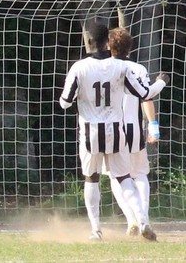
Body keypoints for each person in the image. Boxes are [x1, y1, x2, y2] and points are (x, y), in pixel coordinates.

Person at [58, 22, 169, 242]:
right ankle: (142, 219)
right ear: (107, 43)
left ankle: (96, 230)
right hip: (117, 132)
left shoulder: (79, 68)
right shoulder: (121, 67)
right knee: (124, 177)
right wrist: (161, 83)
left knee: (92, 178)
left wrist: (82, 96)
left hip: (90, 132)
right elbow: (145, 93)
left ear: (89, 41)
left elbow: (64, 103)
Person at [106, 27, 161, 236]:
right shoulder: (138, 68)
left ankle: (131, 220)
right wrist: (153, 126)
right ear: (130, 47)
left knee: (116, 176)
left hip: (110, 130)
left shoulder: (102, 68)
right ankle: (143, 218)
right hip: (134, 129)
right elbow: (147, 97)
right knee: (140, 174)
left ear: (108, 46)